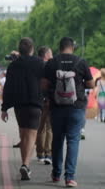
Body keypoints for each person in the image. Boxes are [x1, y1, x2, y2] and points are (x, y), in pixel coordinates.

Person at [42, 37, 94, 187]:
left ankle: (56, 173)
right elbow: (90, 84)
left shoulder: (52, 63)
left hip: (57, 106)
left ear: (60, 48)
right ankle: (69, 177)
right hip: (76, 107)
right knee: (73, 140)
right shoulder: (81, 62)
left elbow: (44, 85)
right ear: (72, 47)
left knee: (57, 139)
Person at [1, 37, 44, 181]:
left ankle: (24, 165)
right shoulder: (39, 63)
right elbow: (46, 82)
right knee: (31, 136)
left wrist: (4, 108)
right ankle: (25, 164)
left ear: (19, 50)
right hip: (35, 103)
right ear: (32, 49)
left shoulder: (13, 66)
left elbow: (8, 87)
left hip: (19, 106)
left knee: (23, 136)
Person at [35, 46, 53, 164]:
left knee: (39, 128)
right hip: (48, 99)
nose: (52, 55)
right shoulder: (50, 66)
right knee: (49, 127)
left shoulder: (35, 65)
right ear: (46, 54)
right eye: (50, 53)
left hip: (37, 100)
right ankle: (48, 153)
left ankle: (40, 153)